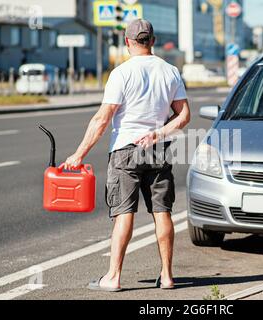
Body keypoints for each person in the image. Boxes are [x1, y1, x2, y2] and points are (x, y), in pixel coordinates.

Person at [64, 19, 190, 292]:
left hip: (125, 150)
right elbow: (184, 115)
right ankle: (167, 276)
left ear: (127, 42)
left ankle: (114, 277)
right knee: (162, 212)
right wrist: (158, 134)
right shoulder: (170, 71)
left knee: (124, 214)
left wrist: (79, 154)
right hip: (158, 149)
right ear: (153, 41)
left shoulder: (121, 73)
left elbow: (102, 119)